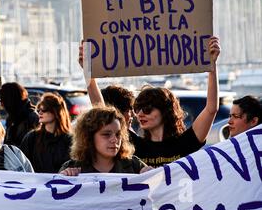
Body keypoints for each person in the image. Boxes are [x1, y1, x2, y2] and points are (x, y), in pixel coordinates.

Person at [79, 36, 221, 168]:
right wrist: (88, 75)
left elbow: (211, 109)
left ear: (165, 112)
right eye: (138, 109)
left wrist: (212, 66)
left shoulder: (184, 143)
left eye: (147, 109)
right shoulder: (134, 144)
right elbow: (100, 109)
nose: (140, 114)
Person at [59, 106, 150, 175]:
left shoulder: (134, 165)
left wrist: (152, 175)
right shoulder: (71, 168)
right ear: (89, 137)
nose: (115, 140)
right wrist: (62, 180)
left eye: (118, 134)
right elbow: (54, 196)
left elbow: (157, 192)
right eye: (106, 134)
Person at [20, 92, 73, 173]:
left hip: (61, 184)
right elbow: (22, 165)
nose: (40, 112)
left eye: (44, 109)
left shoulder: (69, 139)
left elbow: (74, 165)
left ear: (56, 112)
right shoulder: (31, 137)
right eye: (38, 110)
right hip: (35, 183)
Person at [0, 82, 39, 146]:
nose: (1, 104)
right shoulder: (12, 117)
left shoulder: (31, 117)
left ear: (10, 99)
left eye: (2, 100)